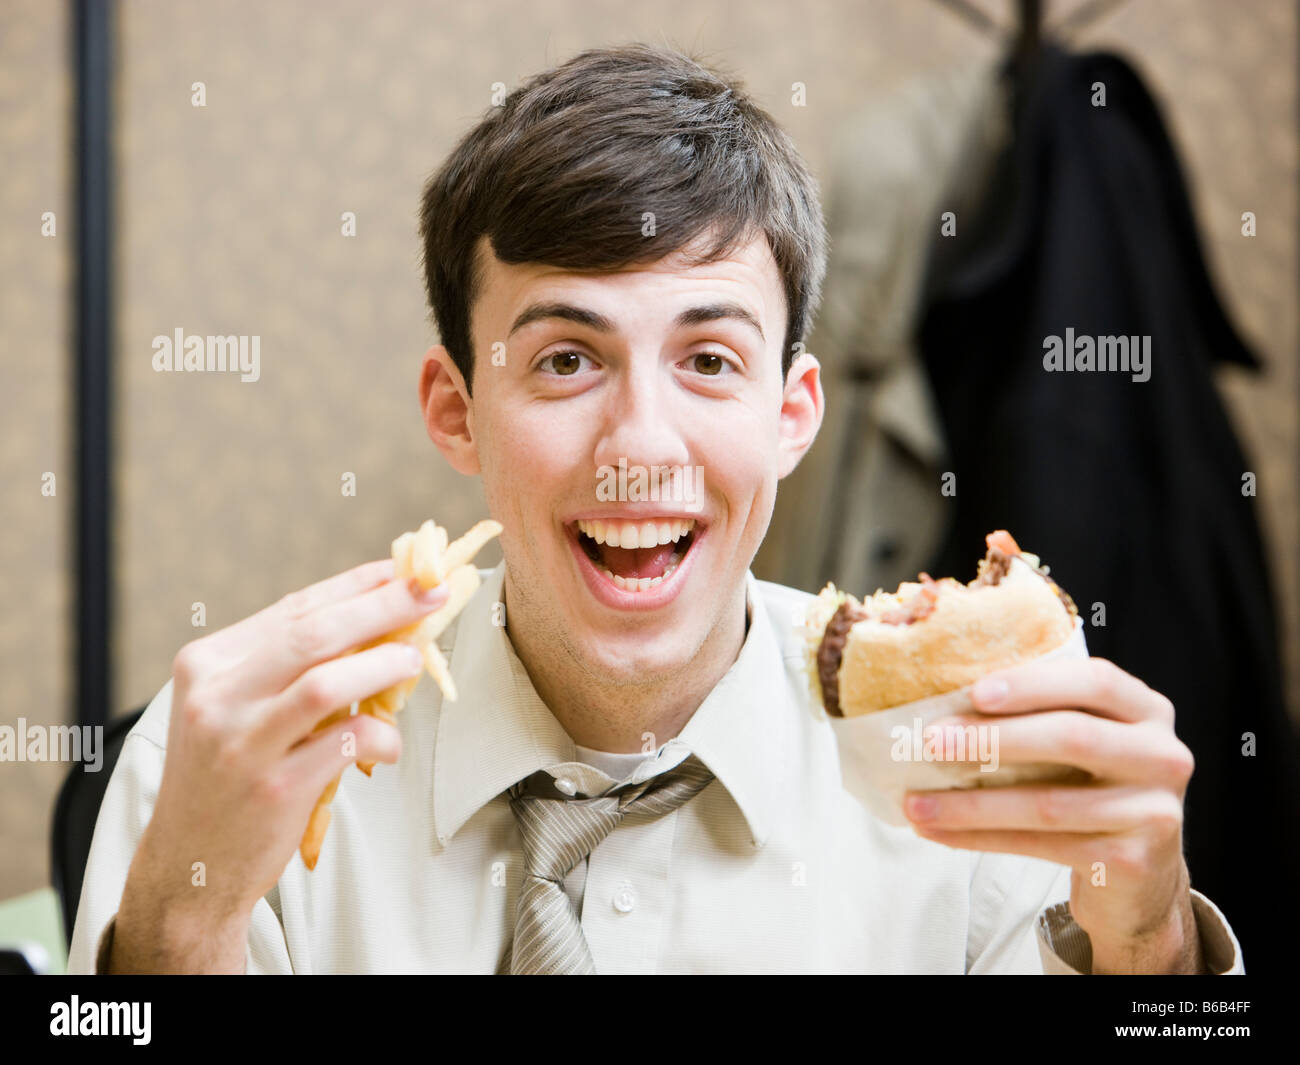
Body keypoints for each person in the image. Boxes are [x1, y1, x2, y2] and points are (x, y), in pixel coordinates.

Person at [68, 43, 1242, 975]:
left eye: (710, 361)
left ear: (794, 413)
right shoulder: (219, 758)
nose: (638, 446)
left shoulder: (979, 759)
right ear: (457, 409)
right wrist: (177, 922)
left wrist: (1146, 948)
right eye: (567, 361)